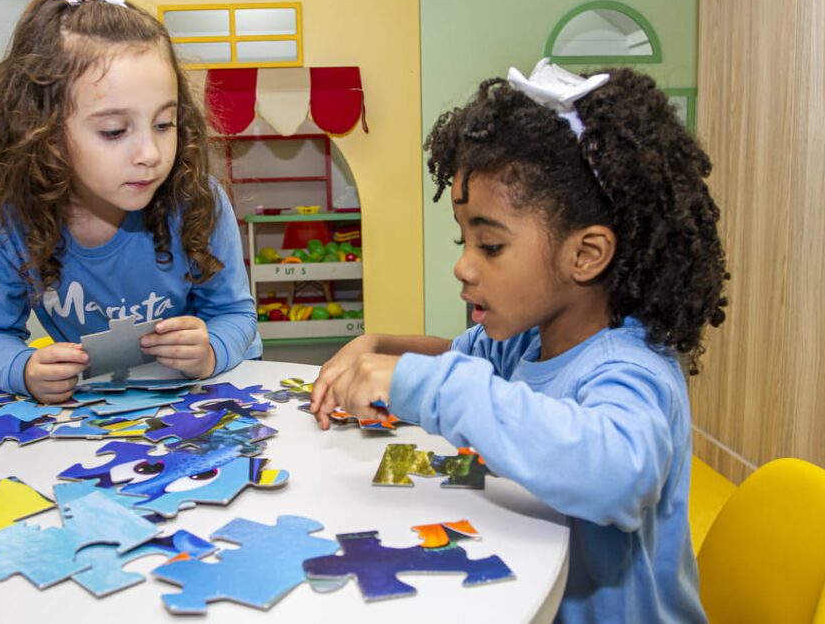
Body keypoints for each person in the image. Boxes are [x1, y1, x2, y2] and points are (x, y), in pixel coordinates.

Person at [310, 60, 728, 622]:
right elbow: (455, 360)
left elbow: (618, 473)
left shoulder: (633, 368)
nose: (462, 266)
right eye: (464, 240)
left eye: (490, 246)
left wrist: (429, 386)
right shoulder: (523, 340)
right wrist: (380, 348)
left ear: (585, 255)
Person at [0, 0, 260, 404]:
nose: (150, 154)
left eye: (164, 124)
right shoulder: (6, 221)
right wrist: (21, 370)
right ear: (41, 130)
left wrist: (211, 351)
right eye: (114, 131)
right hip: (97, 407)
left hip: (207, 394)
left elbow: (235, 314)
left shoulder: (196, 200)